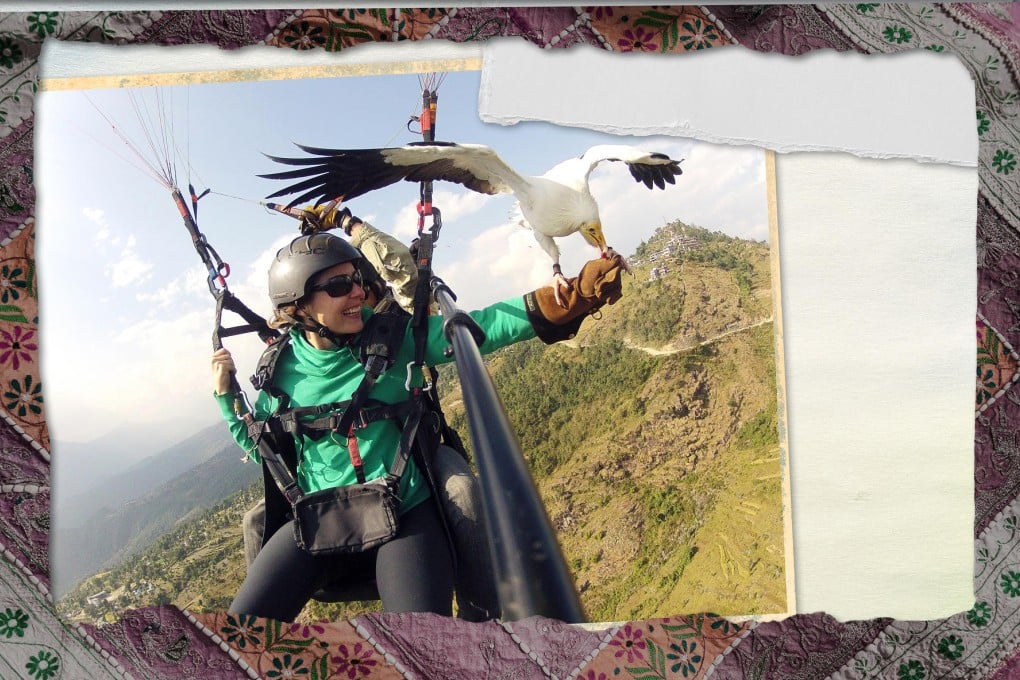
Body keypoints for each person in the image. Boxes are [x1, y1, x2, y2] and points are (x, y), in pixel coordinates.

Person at [212, 232, 624, 622]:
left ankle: (485, 623)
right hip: (319, 520)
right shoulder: (279, 369)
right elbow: (263, 449)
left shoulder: (393, 338)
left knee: (424, 644)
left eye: (357, 280)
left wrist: (567, 298)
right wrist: (226, 399)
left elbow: (477, 329)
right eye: (339, 286)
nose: (357, 292)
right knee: (236, 636)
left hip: (403, 513)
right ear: (298, 306)